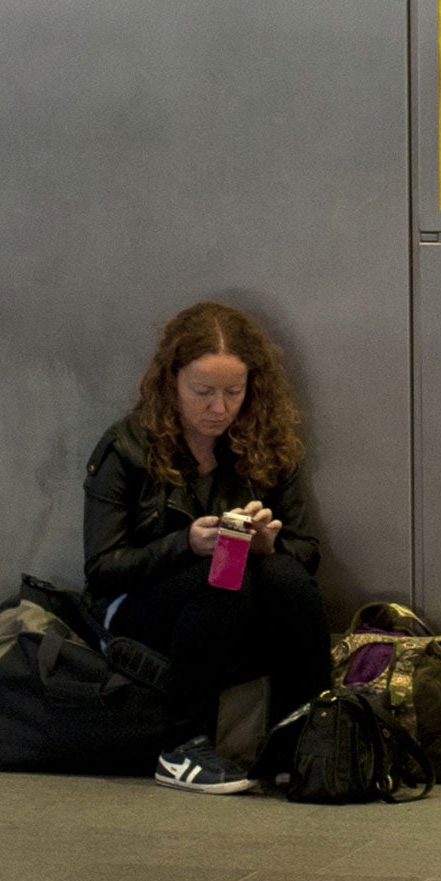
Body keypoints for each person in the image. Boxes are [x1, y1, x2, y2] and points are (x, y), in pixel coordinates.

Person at [83, 301, 329, 793]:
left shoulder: (267, 444)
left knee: (282, 577)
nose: (219, 408)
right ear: (170, 382)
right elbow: (103, 568)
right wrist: (185, 543)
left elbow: (308, 554)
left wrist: (270, 547)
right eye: (203, 392)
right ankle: (181, 746)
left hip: (234, 607)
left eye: (233, 392)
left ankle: (299, 737)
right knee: (222, 575)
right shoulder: (128, 447)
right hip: (140, 608)